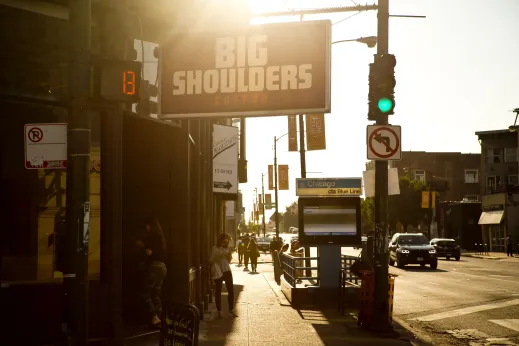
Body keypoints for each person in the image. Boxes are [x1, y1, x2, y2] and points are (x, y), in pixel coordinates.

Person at [136, 216, 167, 328]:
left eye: (146, 226)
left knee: (144, 293)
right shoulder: (160, 237)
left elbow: (148, 253)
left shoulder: (151, 237)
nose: (146, 228)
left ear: (149, 225)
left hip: (154, 267)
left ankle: (154, 316)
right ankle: (160, 318)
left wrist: (142, 247)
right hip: (162, 267)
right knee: (155, 294)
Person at [210, 233, 238, 318]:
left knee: (231, 290)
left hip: (227, 270)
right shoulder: (215, 249)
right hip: (218, 272)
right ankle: (219, 311)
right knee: (218, 291)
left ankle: (231, 310)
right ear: (220, 240)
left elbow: (228, 261)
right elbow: (210, 260)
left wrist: (229, 255)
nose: (225, 242)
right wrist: (221, 254)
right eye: (223, 240)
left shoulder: (227, 249)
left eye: (226, 240)